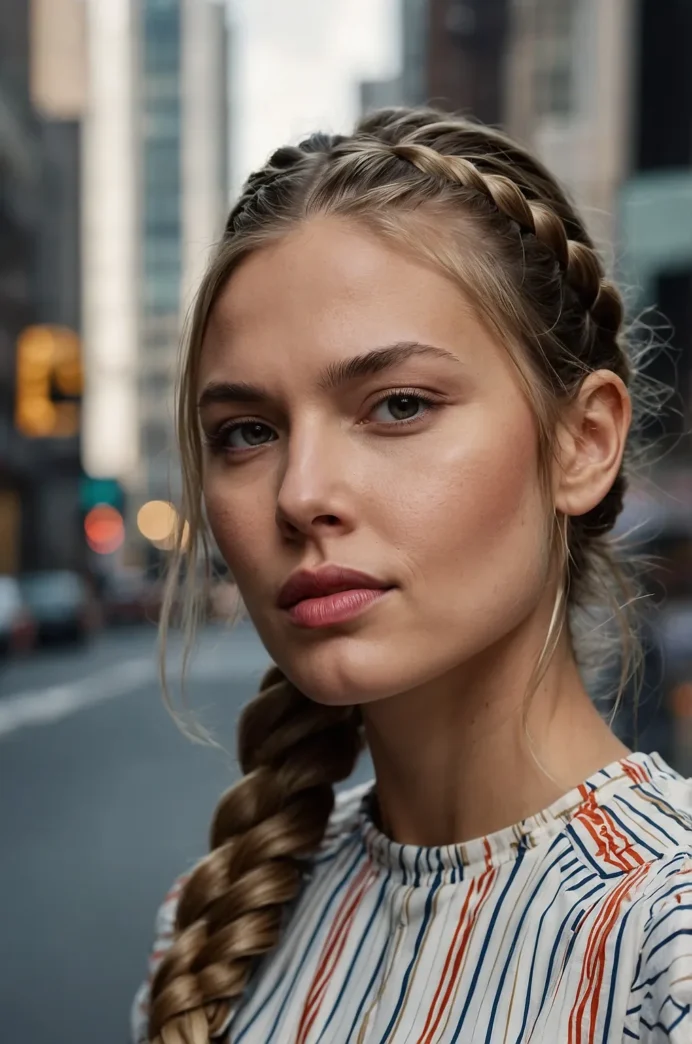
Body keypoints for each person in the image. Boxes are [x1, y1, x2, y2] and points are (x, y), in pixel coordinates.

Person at [131, 106, 692, 1043]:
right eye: (248, 431)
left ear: (583, 443)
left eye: (397, 405)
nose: (302, 494)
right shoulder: (207, 927)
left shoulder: (667, 948)